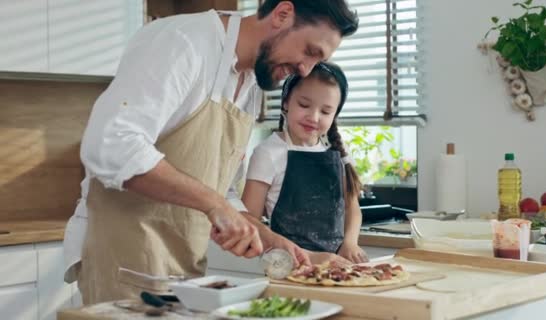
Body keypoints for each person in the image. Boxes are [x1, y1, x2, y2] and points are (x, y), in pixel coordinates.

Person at [62, 0, 359, 304]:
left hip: (185, 271)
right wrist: (214, 204)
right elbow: (111, 143)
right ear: (283, 14)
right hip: (125, 261)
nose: (305, 69)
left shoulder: (252, 85)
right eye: (310, 51)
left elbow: (221, 188)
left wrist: (277, 243)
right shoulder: (183, 43)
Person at [241, 61, 369, 266]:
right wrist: (311, 258)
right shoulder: (268, 153)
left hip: (336, 265)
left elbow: (352, 209)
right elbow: (250, 220)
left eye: (326, 111)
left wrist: (350, 243)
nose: (314, 117)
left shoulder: (338, 155)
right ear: (285, 102)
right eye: (304, 105)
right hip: (287, 266)